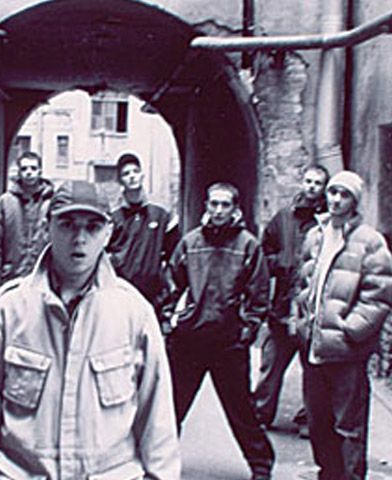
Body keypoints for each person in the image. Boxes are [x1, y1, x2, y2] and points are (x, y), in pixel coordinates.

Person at [0, 180, 181, 479]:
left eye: (93, 227)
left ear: (108, 233)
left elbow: (158, 425)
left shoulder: (134, 314)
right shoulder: (6, 311)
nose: (80, 238)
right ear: (47, 228)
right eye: (67, 225)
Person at [166, 182, 274, 480]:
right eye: (213, 203)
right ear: (206, 206)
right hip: (190, 341)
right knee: (172, 407)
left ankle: (261, 465)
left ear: (235, 209)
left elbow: (259, 293)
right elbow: (171, 283)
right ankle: (159, 462)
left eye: (225, 204)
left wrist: (246, 330)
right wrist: (170, 322)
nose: (218, 210)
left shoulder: (248, 245)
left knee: (241, 410)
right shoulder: (191, 242)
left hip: (228, 342)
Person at [291, 171, 392, 480]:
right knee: (318, 423)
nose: (335, 199)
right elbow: (304, 281)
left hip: (346, 351)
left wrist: (352, 330)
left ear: (354, 201)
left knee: (348, 427)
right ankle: (328, 475)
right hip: (314, 346)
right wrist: (300, 321)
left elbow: (379, 294)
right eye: (333, 192)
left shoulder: (370, 241)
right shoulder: (316, 235)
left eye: (344, 194)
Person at [253, 165, 329, 436]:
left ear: (324, 188)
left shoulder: (328, 222)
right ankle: (260, 414)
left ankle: (309, 419)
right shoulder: (283, 218)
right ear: (301, 182)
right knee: (271, 364)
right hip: (282, 307)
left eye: (317, 183)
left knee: (314, 370)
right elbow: (263, 253)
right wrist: (281, 262)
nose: (311, 187)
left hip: (313, 309)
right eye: (308, 181)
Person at [107, 152, 179, 308]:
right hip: (121, 291)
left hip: (152, 295)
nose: (132, 176)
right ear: (120, 180)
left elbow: (173, 252)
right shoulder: (114, 215)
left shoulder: (160, 213)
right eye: (126, 174)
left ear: (142, 175)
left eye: (135, 171)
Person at [0, 151, 53, 297]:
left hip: (43, 277)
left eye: (33, 168)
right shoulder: (4, 203)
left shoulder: (51, 203)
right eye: (24, 168)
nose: (29, 172)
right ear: (19, 172)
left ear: (40, 171)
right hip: (11, 276)